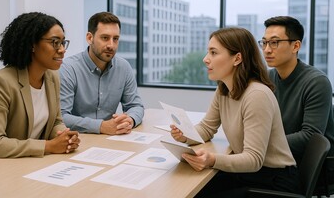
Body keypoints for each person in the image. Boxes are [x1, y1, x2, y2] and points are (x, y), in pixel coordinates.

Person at [170, 27, 300, 197]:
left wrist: (212, 159)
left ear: (237, 58)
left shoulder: (257, 95)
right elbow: (207, 128)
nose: (205, 59)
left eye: (214, 53)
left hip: (274, 182)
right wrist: (185, 135)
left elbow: (253, 159)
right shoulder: (224, 89)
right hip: (250, 175)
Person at [0, 12, 80, 166]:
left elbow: (56, 121)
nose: (62, 49)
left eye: (63, 43)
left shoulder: (52, 77)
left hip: (26, 163)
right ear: (32, 44)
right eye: (55, 42)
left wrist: (64, 136)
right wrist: (49, 146)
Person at [260, 16, 334, 165]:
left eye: (274, 43)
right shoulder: (269, 77)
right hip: (278, 158)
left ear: (296, 46)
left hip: (309, 167)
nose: (267, 50)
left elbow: (310, 136)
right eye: (264, 42)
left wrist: (260, 145)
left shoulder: (316, 82)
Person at [59, 11, 144, 135]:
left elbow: (136, 106)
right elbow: (62, 117)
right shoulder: (68, 68)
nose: (111, 45)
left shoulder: (124, 67)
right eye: (105, 38)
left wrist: (129, 119)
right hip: (78, 140)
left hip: (111, 139)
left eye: (115, 39)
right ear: (89, 38)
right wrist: (101, 126)